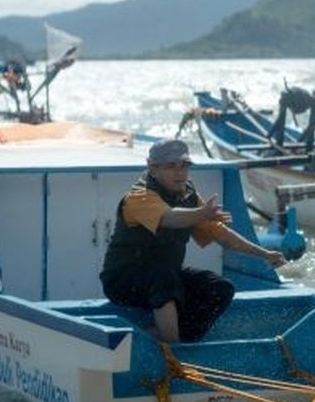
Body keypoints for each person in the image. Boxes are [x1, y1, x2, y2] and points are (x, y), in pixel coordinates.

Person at [100, 138, 286, 343]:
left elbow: (221, 235)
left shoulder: (188, 195)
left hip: (165, 277)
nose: (179, 172)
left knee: (220, 287)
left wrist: (264, 254)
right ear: (152, 168)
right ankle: (172, 349)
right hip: (122, 281)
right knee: (164, 278)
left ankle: (176, 339)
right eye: (171, 166)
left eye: (184, 165)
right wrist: (202, 213)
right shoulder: (139, 197)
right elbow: (170, 217)